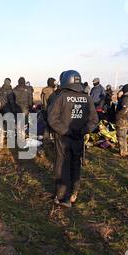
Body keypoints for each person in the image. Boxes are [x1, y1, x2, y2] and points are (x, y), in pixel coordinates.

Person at [48, 70, 98, 208]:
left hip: (63, 138)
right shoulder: (87, 98)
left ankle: (63, 198)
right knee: (75, 164)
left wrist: (67, 131)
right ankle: (73, 193)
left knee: (62, 165)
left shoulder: (61, 97)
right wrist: (82, 131)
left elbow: (52, 119)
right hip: (78, 138)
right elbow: (94, 121)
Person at [116, 85, 128, 157]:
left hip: (122, 120)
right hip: (127, 119)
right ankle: (125, 151)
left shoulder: (125, 98)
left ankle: (122, 152)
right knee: (124, 136)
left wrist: (117, 116)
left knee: (120, 136)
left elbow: (124, 109)